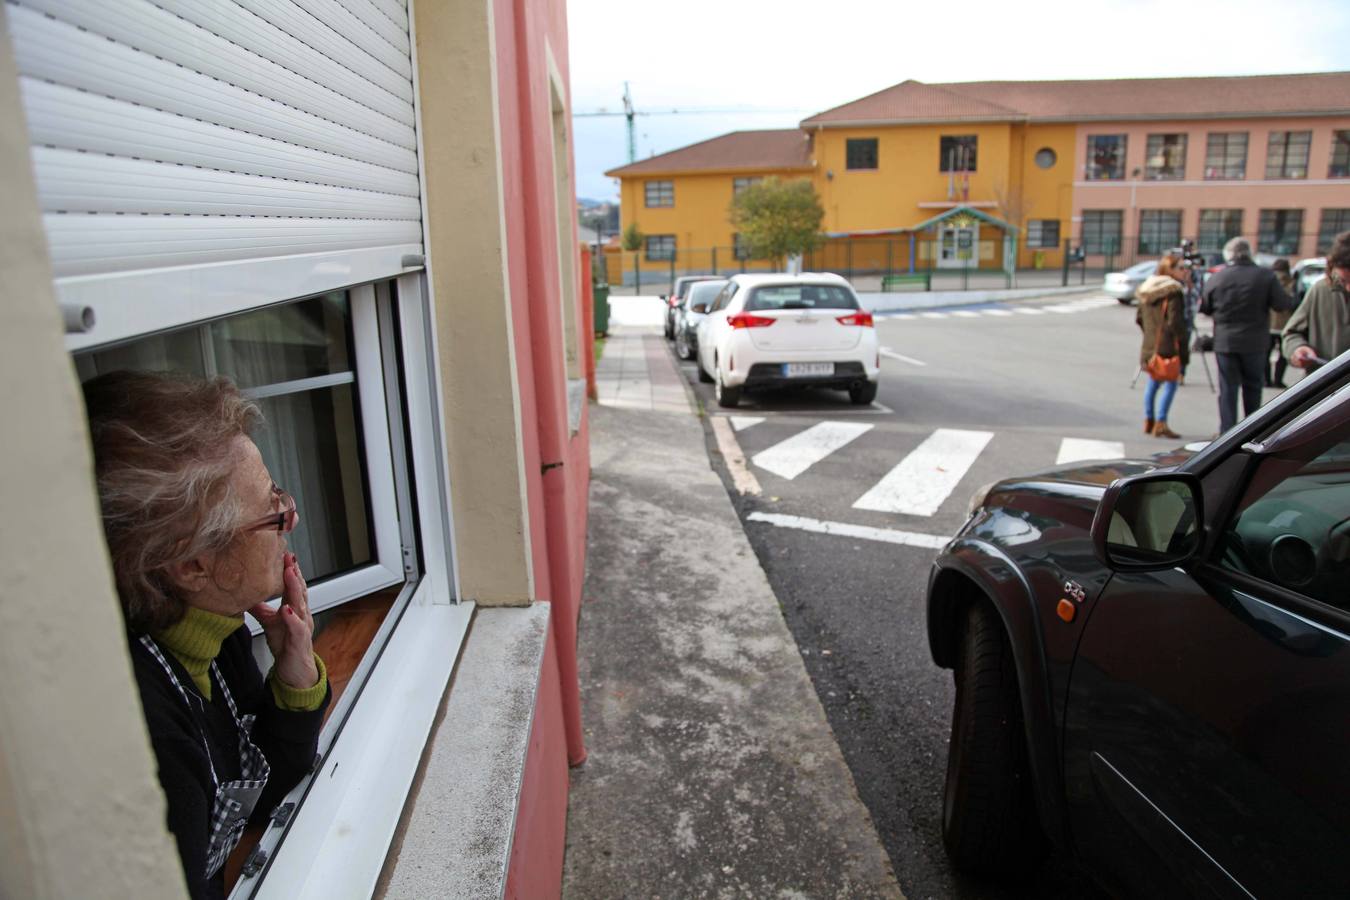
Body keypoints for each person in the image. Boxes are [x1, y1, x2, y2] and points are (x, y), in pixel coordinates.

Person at [84, 371, 330, 900]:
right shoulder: (147, 737)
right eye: (271, 510)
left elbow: (260, 796)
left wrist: (295, 680)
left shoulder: (212, 631)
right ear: (193, 565)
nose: (291, 515)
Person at [1200, 237, 1293, 433]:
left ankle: (1227, 432)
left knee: (1228, 389)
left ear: (1228, 255)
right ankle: (1251, 430)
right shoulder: (1265, 276)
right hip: (1255, 342)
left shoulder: (1218, 277)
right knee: (1253, 386)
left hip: (1226, 342)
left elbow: (1206, 307)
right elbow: (1282, 304)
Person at [1135, 253, 1190, 439]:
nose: (1185, 271)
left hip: (1150, 344)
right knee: (1170, 383)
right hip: (1168, 346)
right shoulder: (1173, 291)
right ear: (1170, 270)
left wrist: (1150, 334)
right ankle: (1161, 422)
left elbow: (1139, 318)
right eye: (1181, 268)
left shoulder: (1147, 289)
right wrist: (1183, 346)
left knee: (1153, 382)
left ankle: (1149, 420)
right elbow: (1176, 322)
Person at [1283, 230, 1350, 373]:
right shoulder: (1321, 290)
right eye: (1344, 280)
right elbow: (1292, 333)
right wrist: (1298, 349)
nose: (1349, 287)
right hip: (1325, 390)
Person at [1267, 258, 1295, 388]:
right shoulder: (1292, 283)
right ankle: (1278, 380)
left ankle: (1266, 380)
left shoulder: (1269, 282)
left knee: (1265, 354)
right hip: (1286, 325)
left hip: (1269, 324)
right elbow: (1295, 303)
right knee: (1283, 355)